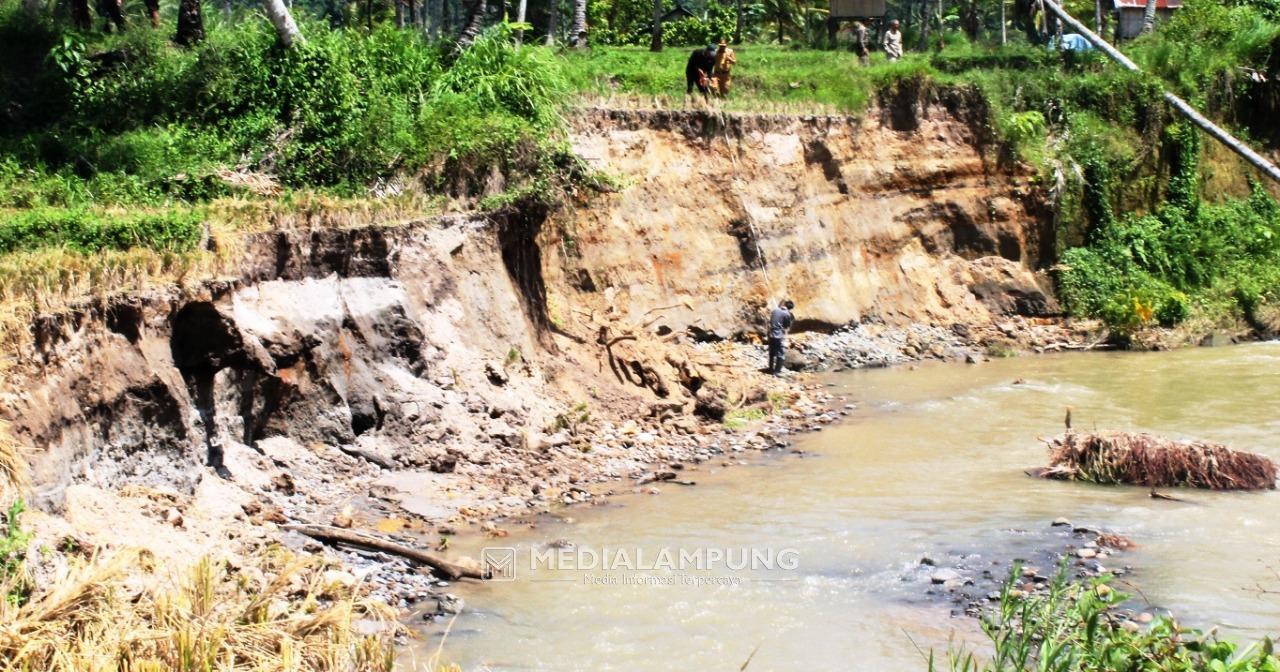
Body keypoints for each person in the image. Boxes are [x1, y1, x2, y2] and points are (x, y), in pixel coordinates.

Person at [767, 300, 795, 375]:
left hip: (771, 334)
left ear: (784, 304)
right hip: (778, 335)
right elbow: (786, 326)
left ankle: (770, 369)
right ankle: (777, 372)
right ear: (790, 308)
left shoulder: (775, 310)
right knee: (781, 355)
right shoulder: (787, 314)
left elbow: (770, 321)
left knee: (772, 353)